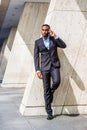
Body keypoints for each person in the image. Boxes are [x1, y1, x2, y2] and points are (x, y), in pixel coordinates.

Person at [34, 24, 66, 120]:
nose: (44, 31)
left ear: (49, 31)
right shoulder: (38, 42)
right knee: (46, 89)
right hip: (44, 68)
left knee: (57, 81)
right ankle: (49, 112)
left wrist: (55, 36)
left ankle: (51, 93)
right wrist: (37, 70)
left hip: (54, 66)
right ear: (41, 30)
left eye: (46, 30)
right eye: (43, 30)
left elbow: (64, 46)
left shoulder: (53, 40)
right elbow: (36, 57)